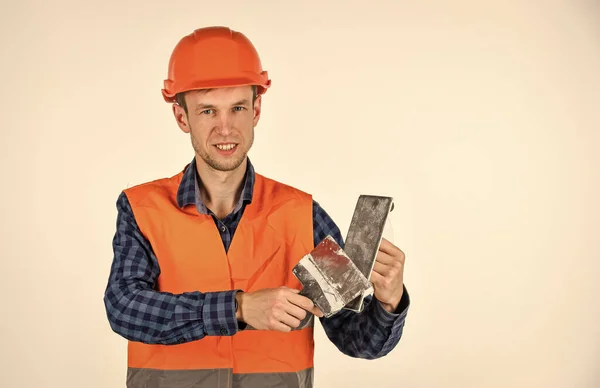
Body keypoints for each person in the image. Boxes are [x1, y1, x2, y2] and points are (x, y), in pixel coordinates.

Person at [103, 26, 410, 388]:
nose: (225, 128)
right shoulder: (143, 209)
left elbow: (355, 338)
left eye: (237, 107)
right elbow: (125, 308)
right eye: (207, 111)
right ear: (182, 117)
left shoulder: (303, 215)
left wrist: (389, 302)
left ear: (256, 109)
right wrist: (240, 308)